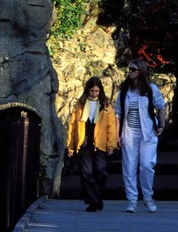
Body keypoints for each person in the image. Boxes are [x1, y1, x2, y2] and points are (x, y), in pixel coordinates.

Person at [117, 57, 167, 213]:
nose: (130, 72)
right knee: (129, 167)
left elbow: (161, 107)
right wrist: (117, 135)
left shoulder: (151, 89)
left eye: (133, 69)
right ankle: (132, 200)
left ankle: (147, 197)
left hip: (148, 133)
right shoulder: (124, 90)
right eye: (129, 69)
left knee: (146, 165)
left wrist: (161, 125)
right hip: (129, 132)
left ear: (141, 71)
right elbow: (117, 113)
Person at [66, 76, 119, 212]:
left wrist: (111, 145)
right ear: (87, 90)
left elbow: (111, 126)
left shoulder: (106, 106)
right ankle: (93, 201)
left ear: (100, 91)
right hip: (84, 142)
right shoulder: (80, 104)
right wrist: (71, 145)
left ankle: (97, 197)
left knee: (100, 171)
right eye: (91, 91)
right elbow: (73, 126)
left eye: (96, 91)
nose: (94, 94)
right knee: (86, 173)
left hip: (100, 143)